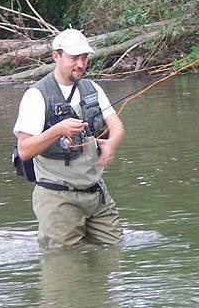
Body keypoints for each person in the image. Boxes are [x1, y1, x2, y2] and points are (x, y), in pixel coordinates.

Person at [13, 28, 125, 249]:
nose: (81, 64)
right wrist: (57, 130)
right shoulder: (36, 95)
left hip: (97, 195)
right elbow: (24, 150)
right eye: (74, 57)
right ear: (57, 56)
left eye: (84, 57)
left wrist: (112, 143)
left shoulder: (92, 87)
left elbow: (116, 124)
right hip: (57, 199)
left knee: (114, 252)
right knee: (64, 264)